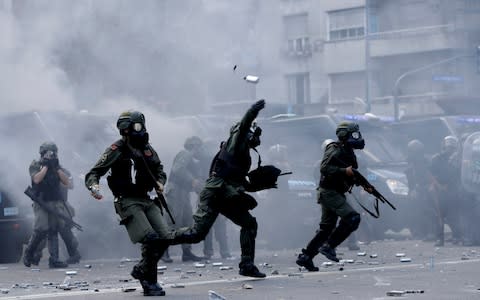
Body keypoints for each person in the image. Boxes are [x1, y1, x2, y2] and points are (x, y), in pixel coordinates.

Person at [170, 99, 268, 278]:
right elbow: (244, 125)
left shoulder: (242, 150)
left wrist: (255, 184)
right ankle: (156, 239)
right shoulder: (236, 142)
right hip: (216, 194)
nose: (255, 137)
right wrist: (252, 111)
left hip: (225, 193)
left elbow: (234, 176)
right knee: (195, 234)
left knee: (249, 224)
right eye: (252, 133)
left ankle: (247, 265)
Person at [85, 111, 169, 296]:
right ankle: (150, 282)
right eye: (136, 126)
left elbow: (159, 168)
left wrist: (160, 182)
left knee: (165, 237)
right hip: (127, 200)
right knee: (150, 238)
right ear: (125, 130)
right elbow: (94, 172)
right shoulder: (116, 150)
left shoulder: (147, 149)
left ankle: (142, 271)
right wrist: (94, 188)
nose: (141, 130)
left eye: (141, 125)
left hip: (146, 198)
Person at [296, 121, 367, 271]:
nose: (357, 137)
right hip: (329, 192)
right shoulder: (335, 149)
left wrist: (364, 184)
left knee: (326, 229)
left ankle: (306, 257)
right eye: (353, 134)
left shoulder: (347, 151)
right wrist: (344, 172)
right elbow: (324, 168)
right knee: (353, 218)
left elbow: (351, 173)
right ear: (344, 135)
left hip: (333, 192)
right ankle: (329, 246)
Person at [23, 142, 71, 268]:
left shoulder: (57, 166)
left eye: (53, 153)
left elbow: (66, 182)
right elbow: (37, 179)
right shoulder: (36, 165)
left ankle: (54, 259)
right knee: (41, 229)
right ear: (42, 153)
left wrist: (56, 168)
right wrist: (45, 166)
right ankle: (29, 253)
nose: (51, 155)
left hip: (55, 201)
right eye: (49, 153)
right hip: (41, 202)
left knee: (54, 229)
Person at [161, 136, 205, 263]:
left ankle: (187, 252)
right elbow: (178, 169)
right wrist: (192, 180)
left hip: (183, 192)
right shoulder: (185, 154)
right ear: (194, 146)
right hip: (176, 191)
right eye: (198, 147)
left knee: (187, 221)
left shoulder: (191, 159)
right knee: (172, 220)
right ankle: (163, 251)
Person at [31, 168, 81, 265]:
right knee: (42, 232)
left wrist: (58, 177)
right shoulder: (41, 170)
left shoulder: (63, 171)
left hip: (61, 205)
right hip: (46, 205)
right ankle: (35, 255)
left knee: (65, 232)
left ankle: (74, 254)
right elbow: (37, 183)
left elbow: (70, 185)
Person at [430, 135, 463, 246]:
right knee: (439, 216)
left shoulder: (456, 160)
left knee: (454, 215)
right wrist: (439, 186)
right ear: (444, 147)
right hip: (439, 191)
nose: (450, 150)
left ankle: (457, 237)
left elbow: (459, 175)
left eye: (452, 148)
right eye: (448, 148)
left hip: (453, 190)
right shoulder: (436, 159)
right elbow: (431, 174)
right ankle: (440, 239)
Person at [404, 139, 436, 241]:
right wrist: (412, 190)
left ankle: (431, 233)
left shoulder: (427, 161)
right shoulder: (411, 162)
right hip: (415, 190)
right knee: (414, 212)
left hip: (426, 189)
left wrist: (418, 188)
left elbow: (428, 177)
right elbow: (411, 178)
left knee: (429, 210)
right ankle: (419, 233)